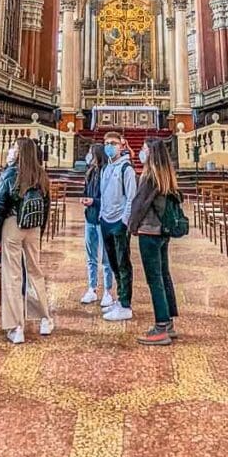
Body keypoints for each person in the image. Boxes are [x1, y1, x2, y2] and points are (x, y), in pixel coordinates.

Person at [0, 137, 53, 345]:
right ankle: (45, 319)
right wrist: (39, 231)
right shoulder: (41, 174)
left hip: (13, 225)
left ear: (19, 153)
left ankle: (17, 328)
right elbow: (46, 205)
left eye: (14, 148)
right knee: (35, 272)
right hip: (33, 227)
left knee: (13, 276)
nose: (11, 151)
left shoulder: (9, 174)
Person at [129, 138, 181, 346]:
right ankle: (168, 322)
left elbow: (139, 205)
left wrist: (132, 226)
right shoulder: (166, 175)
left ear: (151, 153)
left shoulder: (149, 176)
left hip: (149, 232)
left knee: (155, 279)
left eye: (143, 149)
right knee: (164, 274)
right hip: (163, 232)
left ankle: (161, 326)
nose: (141, 151)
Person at [99, 131, 137, 322]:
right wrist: (101, 216)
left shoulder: (126, 169)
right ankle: (120, 298)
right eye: (106, 143)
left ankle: (125, 304)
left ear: (122, 146)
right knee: (113, 262)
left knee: (123, 263)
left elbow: (131, 197)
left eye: (113, 143)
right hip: (105, 221)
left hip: (119, 223)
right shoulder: (105, 168)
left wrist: (124, 221)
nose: (109, 146)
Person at [80, 144, 114, 307]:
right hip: (90, 218)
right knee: (91, 256)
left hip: (103, 219)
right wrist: (85, 199)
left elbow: (110, 198)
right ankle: (91, 288)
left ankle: (108, 291)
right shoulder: (90, 172)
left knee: (106, 258)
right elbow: (86, 191)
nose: (88, 155)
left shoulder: (108, 172)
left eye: (90, 152)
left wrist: (94, 201)